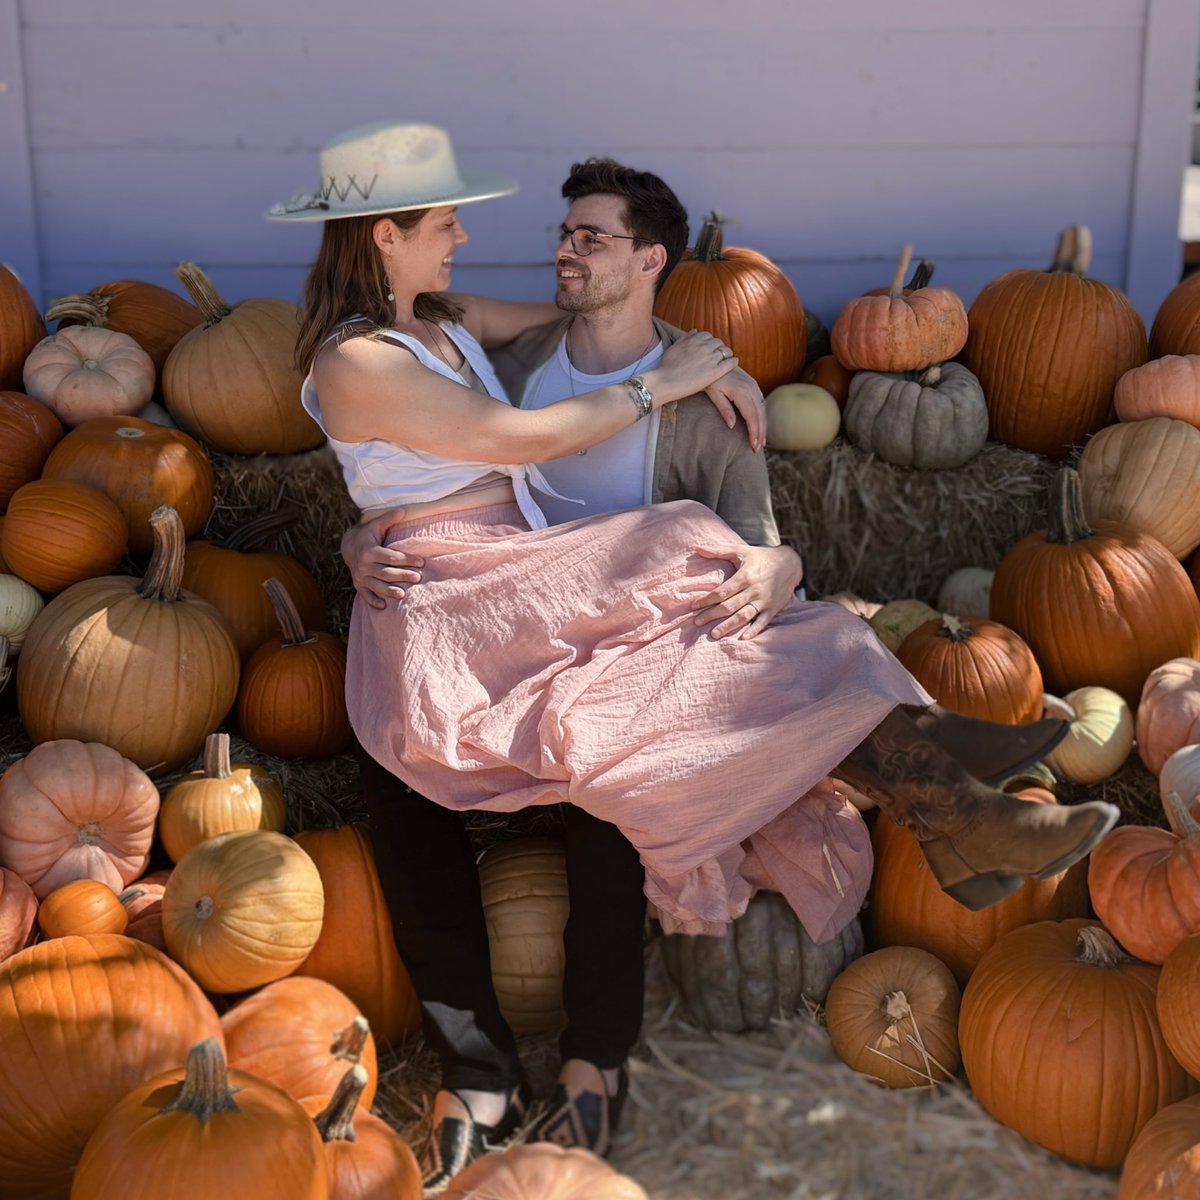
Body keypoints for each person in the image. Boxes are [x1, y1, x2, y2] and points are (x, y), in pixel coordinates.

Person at [269, 121, 1117, 1195]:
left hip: (526, 587)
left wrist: (702, 360)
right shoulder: (354, 357)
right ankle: (473, 1071)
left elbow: (607, 322)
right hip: (453, 607)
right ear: (385, 235)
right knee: (678, 560)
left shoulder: (442, 317)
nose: (461, 244)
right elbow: (515, 442)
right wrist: (657, 391)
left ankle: (950, 807)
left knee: (678, 671)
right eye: (443, 227)